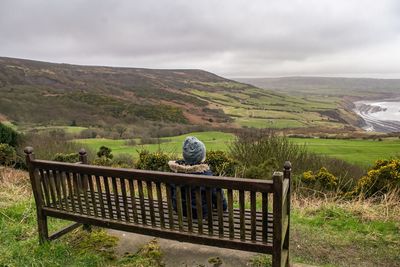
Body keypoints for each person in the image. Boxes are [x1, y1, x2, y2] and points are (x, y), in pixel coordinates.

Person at [168, 136, 227, 219]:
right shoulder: (207, 176)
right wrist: (224, 207)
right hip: (201, 215)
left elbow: (172, 195)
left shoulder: (175, 173)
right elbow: (219, 201)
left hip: (181, 212)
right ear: (202, 157)